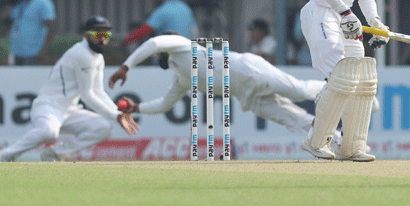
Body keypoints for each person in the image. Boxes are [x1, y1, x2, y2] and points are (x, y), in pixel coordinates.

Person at [299, 0, 399, 161]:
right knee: (342, 78)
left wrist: (376, 24)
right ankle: (316, 141)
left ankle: (352, 146)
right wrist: (345, 13)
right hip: (321, 14)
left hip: (344, 19)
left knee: (362, 79)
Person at [108, 33, 326, 137]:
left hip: (250, 70)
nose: (157, 56)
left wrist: (125, 67)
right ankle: (339, 141)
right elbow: (164, 104)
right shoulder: (181, 77)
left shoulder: (183, 46)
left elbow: (155, 43)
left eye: (159, 54)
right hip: (246, 95)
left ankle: (340, 88)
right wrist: (136, 109)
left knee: (300, 90)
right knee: (294, 119)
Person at [0, 17, 140, 162]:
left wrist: (118, 113)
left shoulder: (98, 57)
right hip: (48, 107)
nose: (102, 39)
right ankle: (6, 155)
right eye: (98, 34)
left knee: (103, 128)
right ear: (86, 35)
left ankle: (55, 153)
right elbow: (87, 95)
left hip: (69, 111)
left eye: (106, 34)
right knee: (49, 133)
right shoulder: (82, 54)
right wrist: (116, 116)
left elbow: (99, 92)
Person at [123, 0, 198, 45]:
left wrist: (124, 41)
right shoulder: (185, 7)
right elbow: (194, 32)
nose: (154, 1)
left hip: (165, 56)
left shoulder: (162, 10)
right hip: (185, 54)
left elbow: (146, 30)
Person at [9, 0, 56, 66]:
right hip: (16, 52)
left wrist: (42, 51)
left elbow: (51, 28)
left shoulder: (43, 2)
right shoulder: (19, 2)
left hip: (33, 53)